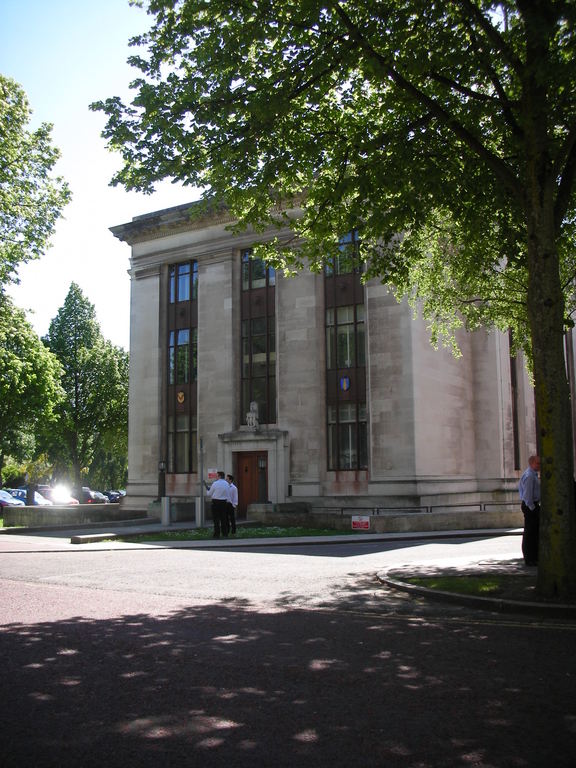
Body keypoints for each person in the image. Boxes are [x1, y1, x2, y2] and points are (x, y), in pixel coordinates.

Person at [518, 455, 541, 566]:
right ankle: (530, 558)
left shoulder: (532, 474)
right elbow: (528, 496)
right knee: (530, 533)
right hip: (530, 506)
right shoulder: (530, 476)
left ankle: (532, 557)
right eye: (538, 463)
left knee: (533, 532)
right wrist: (533, 508)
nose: (540, 466)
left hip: (532, 505)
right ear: (532, 463)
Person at [206, 471, 231, 538]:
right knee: (223, 519)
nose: (216, 477)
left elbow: (209, 494)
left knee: (216, 519)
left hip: (216, 502)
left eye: (217, 476)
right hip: (224, 503)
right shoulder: (227, 484)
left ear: (219, 476)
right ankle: (225, 534)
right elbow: (228, 494)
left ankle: (217, 534)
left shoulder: (215, 483)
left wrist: (207, 490)